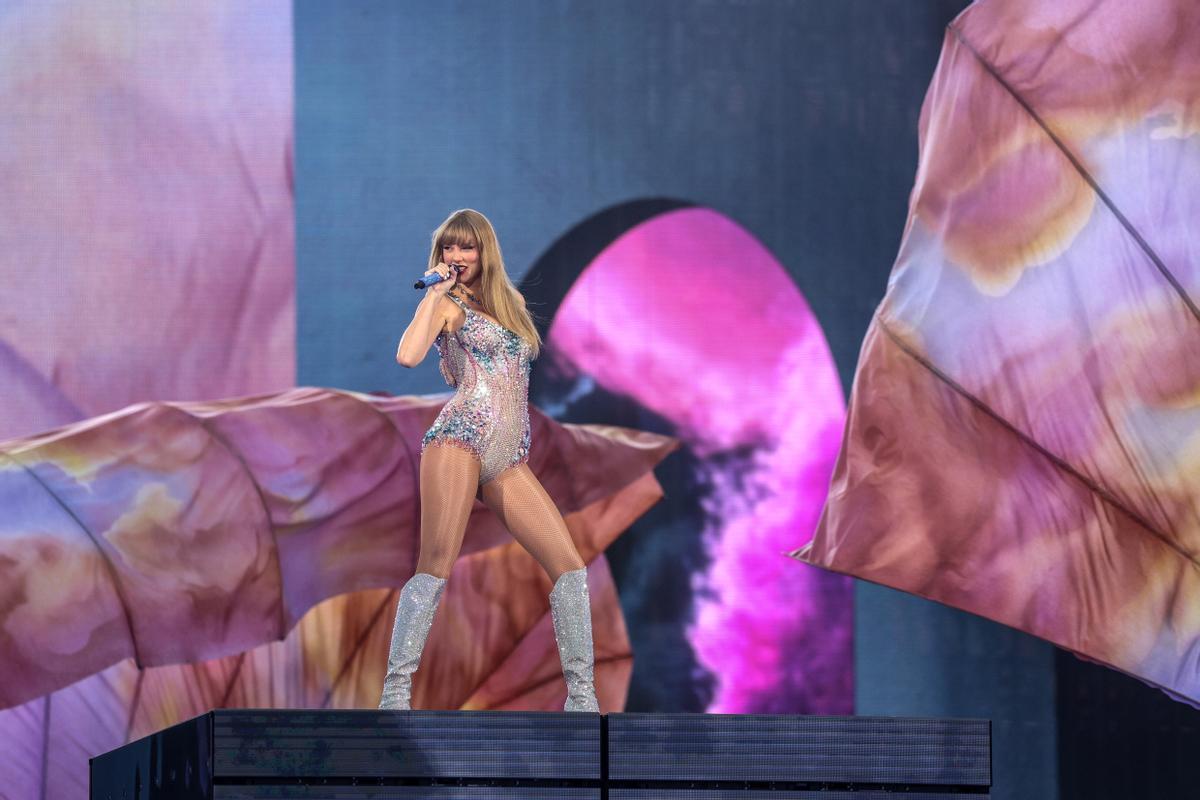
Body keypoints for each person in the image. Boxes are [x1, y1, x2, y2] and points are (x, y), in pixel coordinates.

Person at [379, 208, 599, 713]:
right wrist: (433, 295)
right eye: (449, 248)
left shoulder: (509, 303)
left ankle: (583, 702)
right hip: (460, 437)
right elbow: (408, 356)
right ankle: (395, 695)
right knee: (436, 562)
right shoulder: (447, 305)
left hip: (509, 455)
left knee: (570, 568)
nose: (457, 257)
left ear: (485, 251)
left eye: (467, 247)